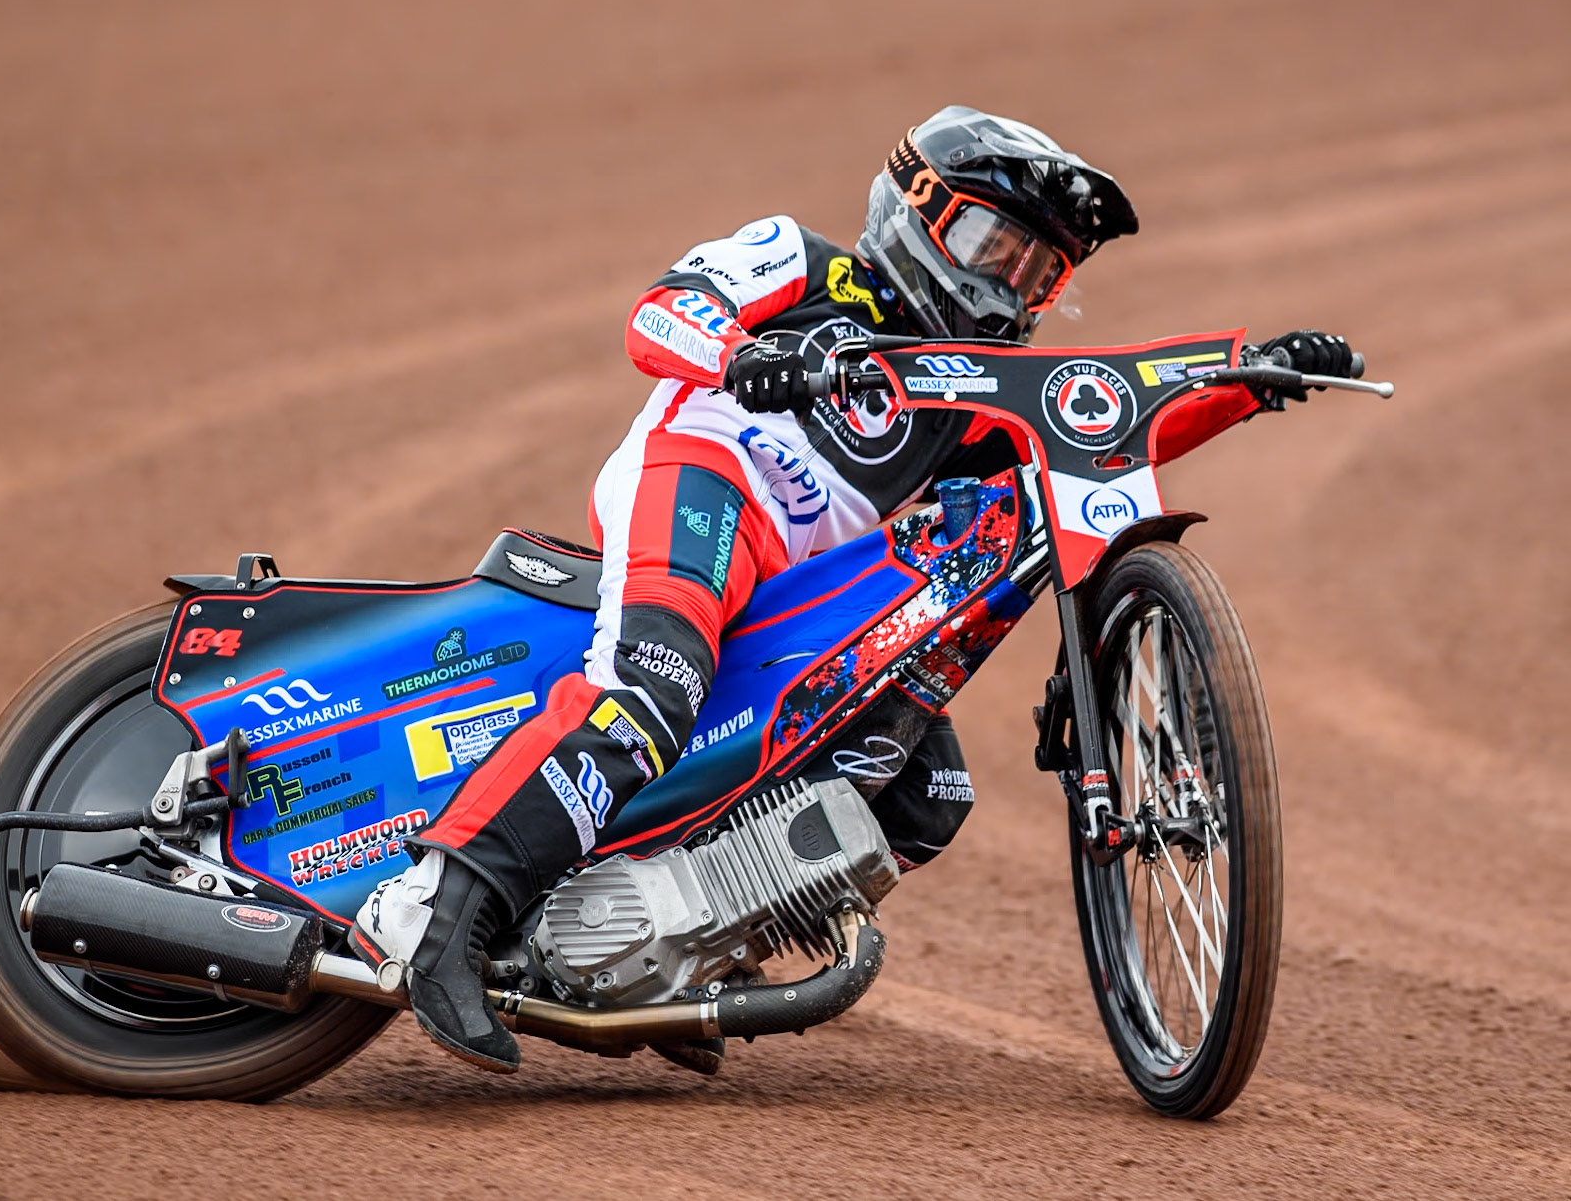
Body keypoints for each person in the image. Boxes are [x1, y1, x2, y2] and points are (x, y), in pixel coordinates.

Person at [349, 105, 1357, 1073]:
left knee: (925, 791)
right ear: (917, 208)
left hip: (804, 587)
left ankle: (671, 948)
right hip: (706, 482)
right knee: (649, 685)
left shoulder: (971, 386)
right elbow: (663, 314)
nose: (1008, 281)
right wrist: (749, 353)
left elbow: (1097, 418)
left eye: (1036, 268)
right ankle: (438, 908)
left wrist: (1247, 378)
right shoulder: (806, 259)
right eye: (990, 243)